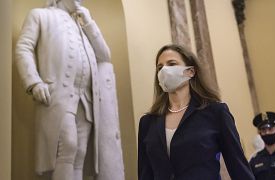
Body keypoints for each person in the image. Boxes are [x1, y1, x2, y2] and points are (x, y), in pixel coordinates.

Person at [15, 0, 124, 179]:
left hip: (86, 100)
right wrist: (34, 82)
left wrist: (89, 22)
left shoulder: (82, 25)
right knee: (68, 145)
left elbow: (104, 56)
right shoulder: (40, 15)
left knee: (80, 152)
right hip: (57, 96)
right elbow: (23, 48)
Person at [138, 44, 255, 180]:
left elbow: (238, 167)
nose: (164, 70)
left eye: (171, 64)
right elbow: (145, 174)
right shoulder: (147, 123)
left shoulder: (215, 112)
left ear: (190, 71)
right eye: (160, 67)